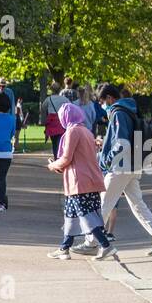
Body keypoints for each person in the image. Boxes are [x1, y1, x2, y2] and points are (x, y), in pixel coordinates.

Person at [73, 83, 152, 257]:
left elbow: (122, 142)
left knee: (103, 203)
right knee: (137, 205)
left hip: (121, 166)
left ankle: (91, 242)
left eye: (102, 102)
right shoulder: (129, 109)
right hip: (133, 165)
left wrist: (106, 158)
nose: (102, 106)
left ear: (110, 98)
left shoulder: (118, 112)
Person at [45, 102, 114, 260]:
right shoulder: (86, 131)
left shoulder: (72, 131)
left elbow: (67, 158)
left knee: (86, 216)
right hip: (88, 180)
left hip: (78, 182)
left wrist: (52, 165)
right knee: (71, 215)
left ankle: (106, 246)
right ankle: (64, 248)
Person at [41, 82, 70, 159]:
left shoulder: (48, 99)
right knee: (61, 140)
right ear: (60, 89)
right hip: (61, 121)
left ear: (51, 90)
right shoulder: (64, 99)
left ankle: (56, 157)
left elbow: (43, 108)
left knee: (54, 142)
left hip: (52, 122)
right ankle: (61, 157)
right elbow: (70, 107)